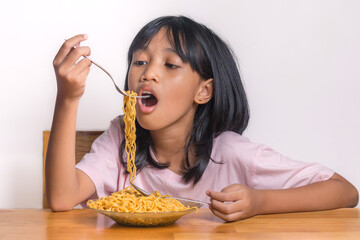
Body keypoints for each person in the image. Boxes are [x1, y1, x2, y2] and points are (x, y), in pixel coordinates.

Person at [46, 16, 358, 221]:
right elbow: (61, 198)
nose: (147, 73)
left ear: (204, 91)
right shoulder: (120, 138)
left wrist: (260, 202)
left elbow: (344, 190)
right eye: (140, 61)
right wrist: (68, 98)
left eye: (170, 65)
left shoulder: (232, 154)